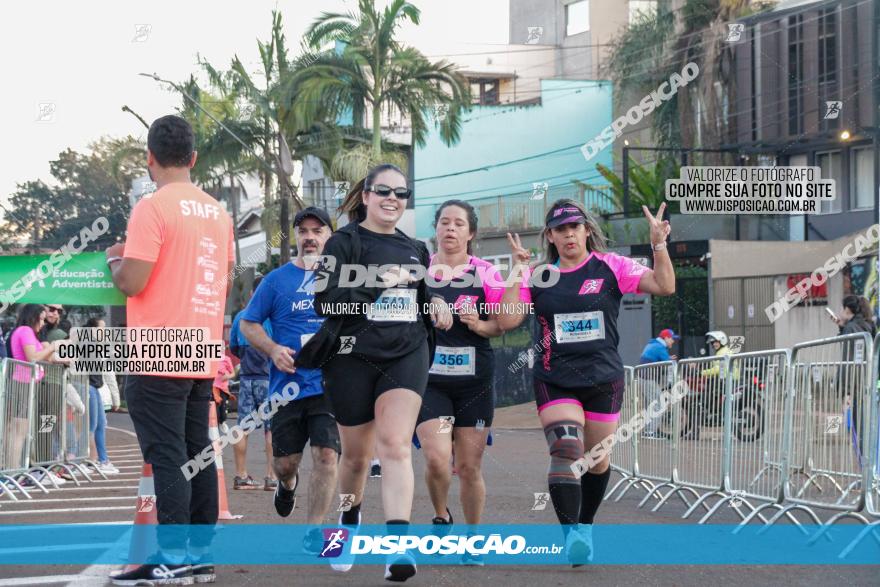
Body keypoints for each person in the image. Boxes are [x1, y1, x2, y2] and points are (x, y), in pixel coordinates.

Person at [495, 200, 675, 566]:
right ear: (550, 236)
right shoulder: (540, 276)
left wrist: (658, 244)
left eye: (574, 227)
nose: (569, 234)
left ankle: (585, 526)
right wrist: (517, 271)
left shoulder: (611, 266)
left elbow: (664, 285)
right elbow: (508, 320)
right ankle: (571, 536)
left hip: (603, 378)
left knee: (596, 461)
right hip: (554, 377)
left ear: (586, 230)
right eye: (560, 229)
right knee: (565, 449)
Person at [301, 164, 452, 582]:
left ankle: (397, 550)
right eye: (383, 191)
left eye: (401, 194)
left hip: (405, 353)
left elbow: (420, 295)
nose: (392, 199)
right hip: (351, 357)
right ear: (365, 195)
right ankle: (347, 524)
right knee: (355, 458)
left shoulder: (416, 248)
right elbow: (324, 303)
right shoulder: (344, 243)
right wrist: (376, 284)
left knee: (395, 445)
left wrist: (435, 305)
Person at [106, 114, 234, 586]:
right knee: (194, 449)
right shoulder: (218, 212)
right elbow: (222, 275)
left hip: (158, 344)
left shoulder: (152, 207)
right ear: (194, 158)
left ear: (151, 158)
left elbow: (133, 280)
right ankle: (198, 555)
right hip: (201, 344)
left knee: (167, 454)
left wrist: (117, 260)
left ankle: (172, 555)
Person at [415, 199, 520, 564]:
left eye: (459, 224)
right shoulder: (420, 272)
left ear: (471, 233)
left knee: (471, 467)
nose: (450, 229)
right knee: (437, 460)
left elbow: (505, 322)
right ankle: (441, 515)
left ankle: (473, 539)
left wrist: (479, 324)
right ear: (436, 230)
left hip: (474, 381)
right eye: (444, 222)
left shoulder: (486, 272)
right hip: (431, 382)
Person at [240, 206, 340, 550]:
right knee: (285, 464)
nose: (310, 237)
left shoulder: (345, 278)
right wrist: (272, 349)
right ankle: (287, 485)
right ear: (296, 237)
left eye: (317, 231)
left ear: (330, 236)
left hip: (329, 384)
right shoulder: (276, 280)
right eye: (303, 231)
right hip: (287, 387)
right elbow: (248, 323)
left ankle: (314, 530)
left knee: (327, 455)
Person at [229, 275, 276, 492]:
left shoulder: (241, 317)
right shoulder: (273, 317)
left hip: (247, 378)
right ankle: (271, 477)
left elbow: (234, 349)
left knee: (242, 428)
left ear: (251, 294)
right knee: (271, 429)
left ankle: (240, 475)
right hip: (269, 379)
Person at [8, 304, 63, 483]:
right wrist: (53, 346)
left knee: (21, 432)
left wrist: (59, 354)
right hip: (23, 384)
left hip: (30, 385)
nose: (42, 322)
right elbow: (33, 357)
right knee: (19, 432)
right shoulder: (24, 331)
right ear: (32, 317)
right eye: (40, 318)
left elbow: (46, 357)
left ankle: (16, 472)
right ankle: (12, 474)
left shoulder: (30, 333)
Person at [83, 317, 119, 474]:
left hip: (94, 387)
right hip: (88, 387)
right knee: (92, 426)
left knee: (99, 425)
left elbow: (108, 372)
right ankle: (94, 461)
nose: (104, 331)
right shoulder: (87, 344)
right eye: (101, 328)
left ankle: (100, 460)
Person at [637, 329, 679, 438]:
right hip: (648, 379)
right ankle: (651, 432)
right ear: (665, 338)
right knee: (659, 404)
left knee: (650, 405)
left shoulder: (654, 344)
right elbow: (669, 364)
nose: (673, 341)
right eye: (672, 339)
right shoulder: (660, 347)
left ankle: (648, 431)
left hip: (643, 379)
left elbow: (660, 360)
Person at [211, 346, 234, 429]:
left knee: (222, 406)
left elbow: (233, 374)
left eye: (221, 347)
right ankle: (215, 425)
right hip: (213, 387)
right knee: (215, 406)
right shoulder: (211, 357)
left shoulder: (226, 359)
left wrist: (227, 376)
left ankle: (222, 421)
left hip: (223, 387)